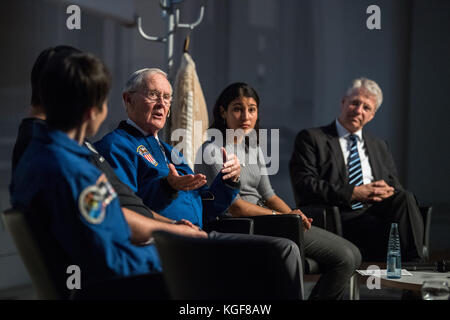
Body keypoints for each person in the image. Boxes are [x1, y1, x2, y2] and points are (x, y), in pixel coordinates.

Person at [94, 69, 306, 299]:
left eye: (167, 97)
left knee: (285, 249)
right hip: (167, 240)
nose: (161, 104)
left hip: (200, 234)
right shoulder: (116, 146)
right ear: (127, 99)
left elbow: (207, 204)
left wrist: (229, 180)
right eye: (153, 95)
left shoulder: (169, 151)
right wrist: (168, 186)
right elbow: (129, 209)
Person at [11, 46, 206, 245]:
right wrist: (174, 231)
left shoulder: (70, 151)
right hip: (149, 260)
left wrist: (175, 225)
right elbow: (115, 220)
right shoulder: (66, 161)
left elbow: (116, 210)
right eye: (101, 100)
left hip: (167, 244)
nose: (162, 104)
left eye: (167, 98)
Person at [10, 51, 166, 287]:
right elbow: (111, 262)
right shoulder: (74, 173)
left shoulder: (39, 153)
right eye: (104, 102)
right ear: (91, 112)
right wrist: (172, 256)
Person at [195, 82, 361, 300]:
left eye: (252, 109)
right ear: (223, 112)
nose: (246, 115)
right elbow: (233, 207)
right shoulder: (212, 150)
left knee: (354, 254)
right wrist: (283, 217)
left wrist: (294, 212)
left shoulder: (252, 147)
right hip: (244, 225)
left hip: (271, 220)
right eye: (237, 108)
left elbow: (269, 194)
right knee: (346, 258)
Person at [289, 77, 425, 262]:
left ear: (372, 115)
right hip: (340, 218)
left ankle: (415, 269)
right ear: (343, 102)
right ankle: (416, 272)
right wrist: (354, 193)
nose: (359, 110)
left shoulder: (379, 146)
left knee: (405, 198)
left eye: (366, 107)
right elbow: (304, 184)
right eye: (355, 103)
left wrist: (385, 190)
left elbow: (394, 186)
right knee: (398, 230)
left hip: (376, 213)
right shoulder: (312, 138)